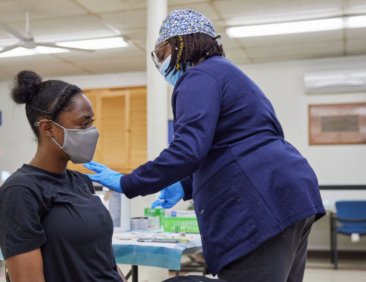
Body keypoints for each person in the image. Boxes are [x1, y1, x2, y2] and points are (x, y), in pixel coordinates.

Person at [87, 9, 325, 282]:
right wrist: (184, 185)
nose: (161, 63)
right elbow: (231, 143)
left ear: (182, 44)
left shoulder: (198, 77)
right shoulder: (229, 74)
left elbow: (189, 149)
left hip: (263, 203)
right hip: (290, 194)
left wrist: (130, 183)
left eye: (162, 53)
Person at [0, 71, 126, 282]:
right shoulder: (19, 192)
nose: (93, 131)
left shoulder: (81, 182)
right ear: (48, 128)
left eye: (92, 122)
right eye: (83, 123)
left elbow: (105, 260)